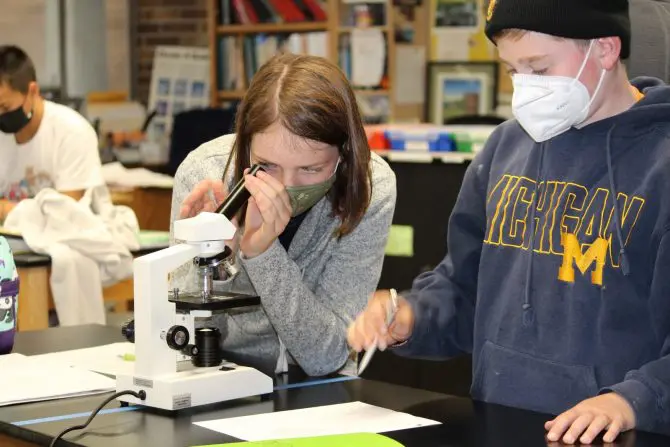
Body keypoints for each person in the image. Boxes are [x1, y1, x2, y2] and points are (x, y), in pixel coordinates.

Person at [348, 0, 670, 444]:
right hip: (498, 421)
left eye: (539, 68)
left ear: (605, 49)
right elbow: (464, 287)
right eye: (513, 70)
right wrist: (411, 315)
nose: (526, 87)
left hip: (612, 435)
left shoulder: (660, 163)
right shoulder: (505, 148)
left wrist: (633, 400)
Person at [169, 53, 396, 377]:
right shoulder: (205, 174)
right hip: (221, 373)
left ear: (345, 152)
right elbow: (183, 336)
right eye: (267, 166)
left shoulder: (371, 187)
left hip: (319, 384)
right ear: (246, 143)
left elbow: (327, 355)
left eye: (310, 169)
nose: (286, 187)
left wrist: (262, 254)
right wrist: (216, 258)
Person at [0, 45, 103, 220]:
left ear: (33, 91)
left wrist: (5, 210)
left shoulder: (72, 132)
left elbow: (67, 214)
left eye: (5, 107)